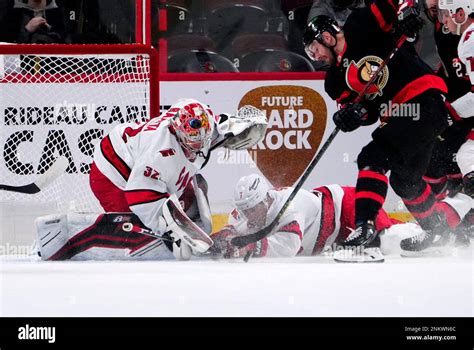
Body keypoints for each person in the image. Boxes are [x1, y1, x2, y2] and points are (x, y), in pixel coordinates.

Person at [302, 1, 472, 256]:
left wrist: (406, 16)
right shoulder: (335, 80)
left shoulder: (359, 25)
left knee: (373, 157)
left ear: (326, 36)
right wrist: (353, 116)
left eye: (315, 50)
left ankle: (365, 228)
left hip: (425, 101)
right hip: (403, 116)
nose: (316, 58)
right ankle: (438, 229)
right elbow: (366, 113)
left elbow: (393, 4)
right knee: (404, 179)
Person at [34, 100, 268, 261]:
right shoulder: (161, 153)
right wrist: (172, 232)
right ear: (177, 133)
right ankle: (65, 240)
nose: (198, 148)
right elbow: (139, 195)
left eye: (202, 142)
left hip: (134, 154)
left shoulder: (200, 121)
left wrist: (246, 126)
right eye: (191, 144)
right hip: (113, 174)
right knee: (139, 231)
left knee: (191, 192)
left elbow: (221, 128)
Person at [211, 174, 398, 262]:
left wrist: (251, 247)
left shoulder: (288, 207)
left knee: (388, 241)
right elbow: (234, 230)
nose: (248, 216)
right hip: (331, 232)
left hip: (348, 210)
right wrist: (219, 239)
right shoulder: (245, 211)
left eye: (252, 210)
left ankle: (424, 235)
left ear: (265, 201)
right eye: (244, 211)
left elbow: (288, 246)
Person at [0, 0, 66, 43]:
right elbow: (6, 45)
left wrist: (51, 31)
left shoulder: (58, 13)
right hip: (22, 62)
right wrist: (27, 30)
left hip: (51, 62)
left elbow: (66, 41)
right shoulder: (13, 14)